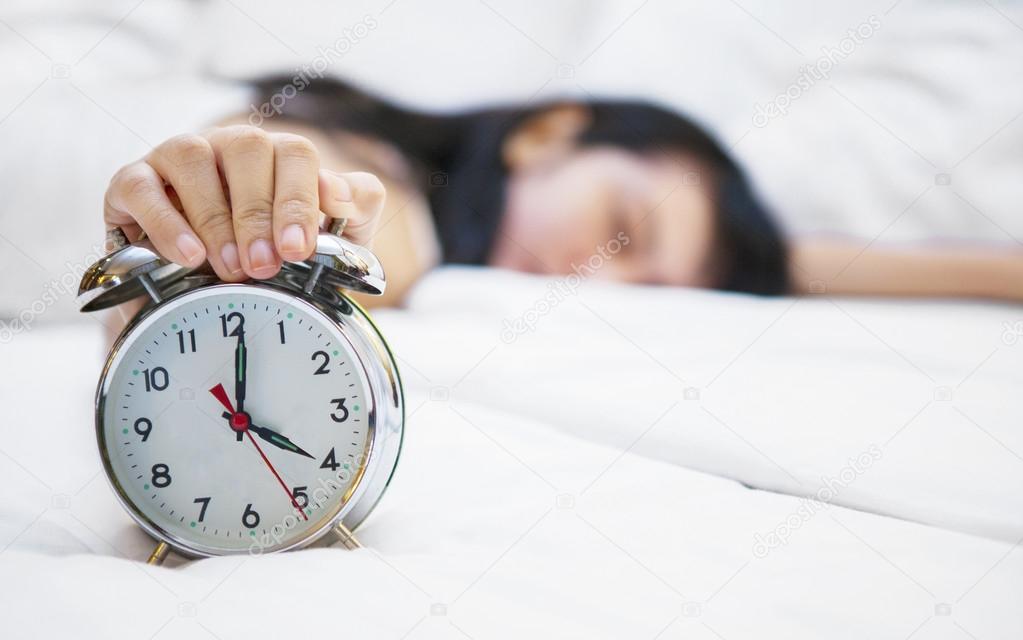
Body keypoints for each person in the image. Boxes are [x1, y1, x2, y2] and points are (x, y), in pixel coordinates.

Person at [103, 77, 1022, 309]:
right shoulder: (347, 145)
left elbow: (798, 268)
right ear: (548, 132)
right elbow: (327, 190)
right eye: (624, 229)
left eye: (654, 291)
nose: (601, 279)